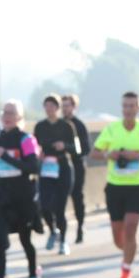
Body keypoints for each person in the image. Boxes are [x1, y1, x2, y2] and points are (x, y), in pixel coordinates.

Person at [90, 92, 139, 278]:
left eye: (132, 106)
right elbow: (93, 153)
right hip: (115, 186)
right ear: (122, 108)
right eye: (125, 106)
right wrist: (109, 154)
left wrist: (138, 156)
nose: (128, 109)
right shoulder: (111, 129)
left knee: (131, 227)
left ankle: (126, 273)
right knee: (118, 236)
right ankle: (129, 251)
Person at [0, 100, 42, 278]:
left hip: (23, 197)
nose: (7, 116)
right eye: (5, 112)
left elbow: (33, 167)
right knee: (0, 242)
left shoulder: (26, 139)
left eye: (12, 113)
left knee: (26, 241)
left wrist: (7, 158)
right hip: (1, 196)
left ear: (19, 117)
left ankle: (33, 274)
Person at [34, 94, 75, 254]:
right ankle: (53, 230)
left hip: (63, 166)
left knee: (60, 207)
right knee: (44, 205)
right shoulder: (40, 126)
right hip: (46, 168)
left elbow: (76, 148)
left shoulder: (67, 126)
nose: (49, 109)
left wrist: (64, 145)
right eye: (46, 106)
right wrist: (39, 154)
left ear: (57, 108)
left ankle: (63, 241)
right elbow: (34, 146)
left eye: (52, 106)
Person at [61, 94, 91, 244]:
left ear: (73, 107)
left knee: (77, 196)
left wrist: (68, 148)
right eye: (63, 105)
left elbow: (85, 148)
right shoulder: (57, 124)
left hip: (77, 166)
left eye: (67, 105)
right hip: (60, 167)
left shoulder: (79, 125)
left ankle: (80, 226)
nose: (64, 108)